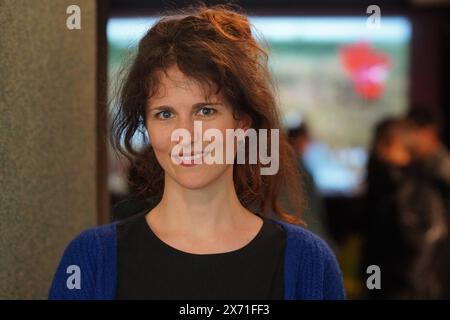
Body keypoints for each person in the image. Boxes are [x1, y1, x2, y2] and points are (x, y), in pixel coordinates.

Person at [48, 3, 344, 300]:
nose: (186, 135)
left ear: (241, 122)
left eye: (205, 111)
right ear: (147, 127)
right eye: (164, 114)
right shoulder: (90, 261)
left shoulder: (309, 264)